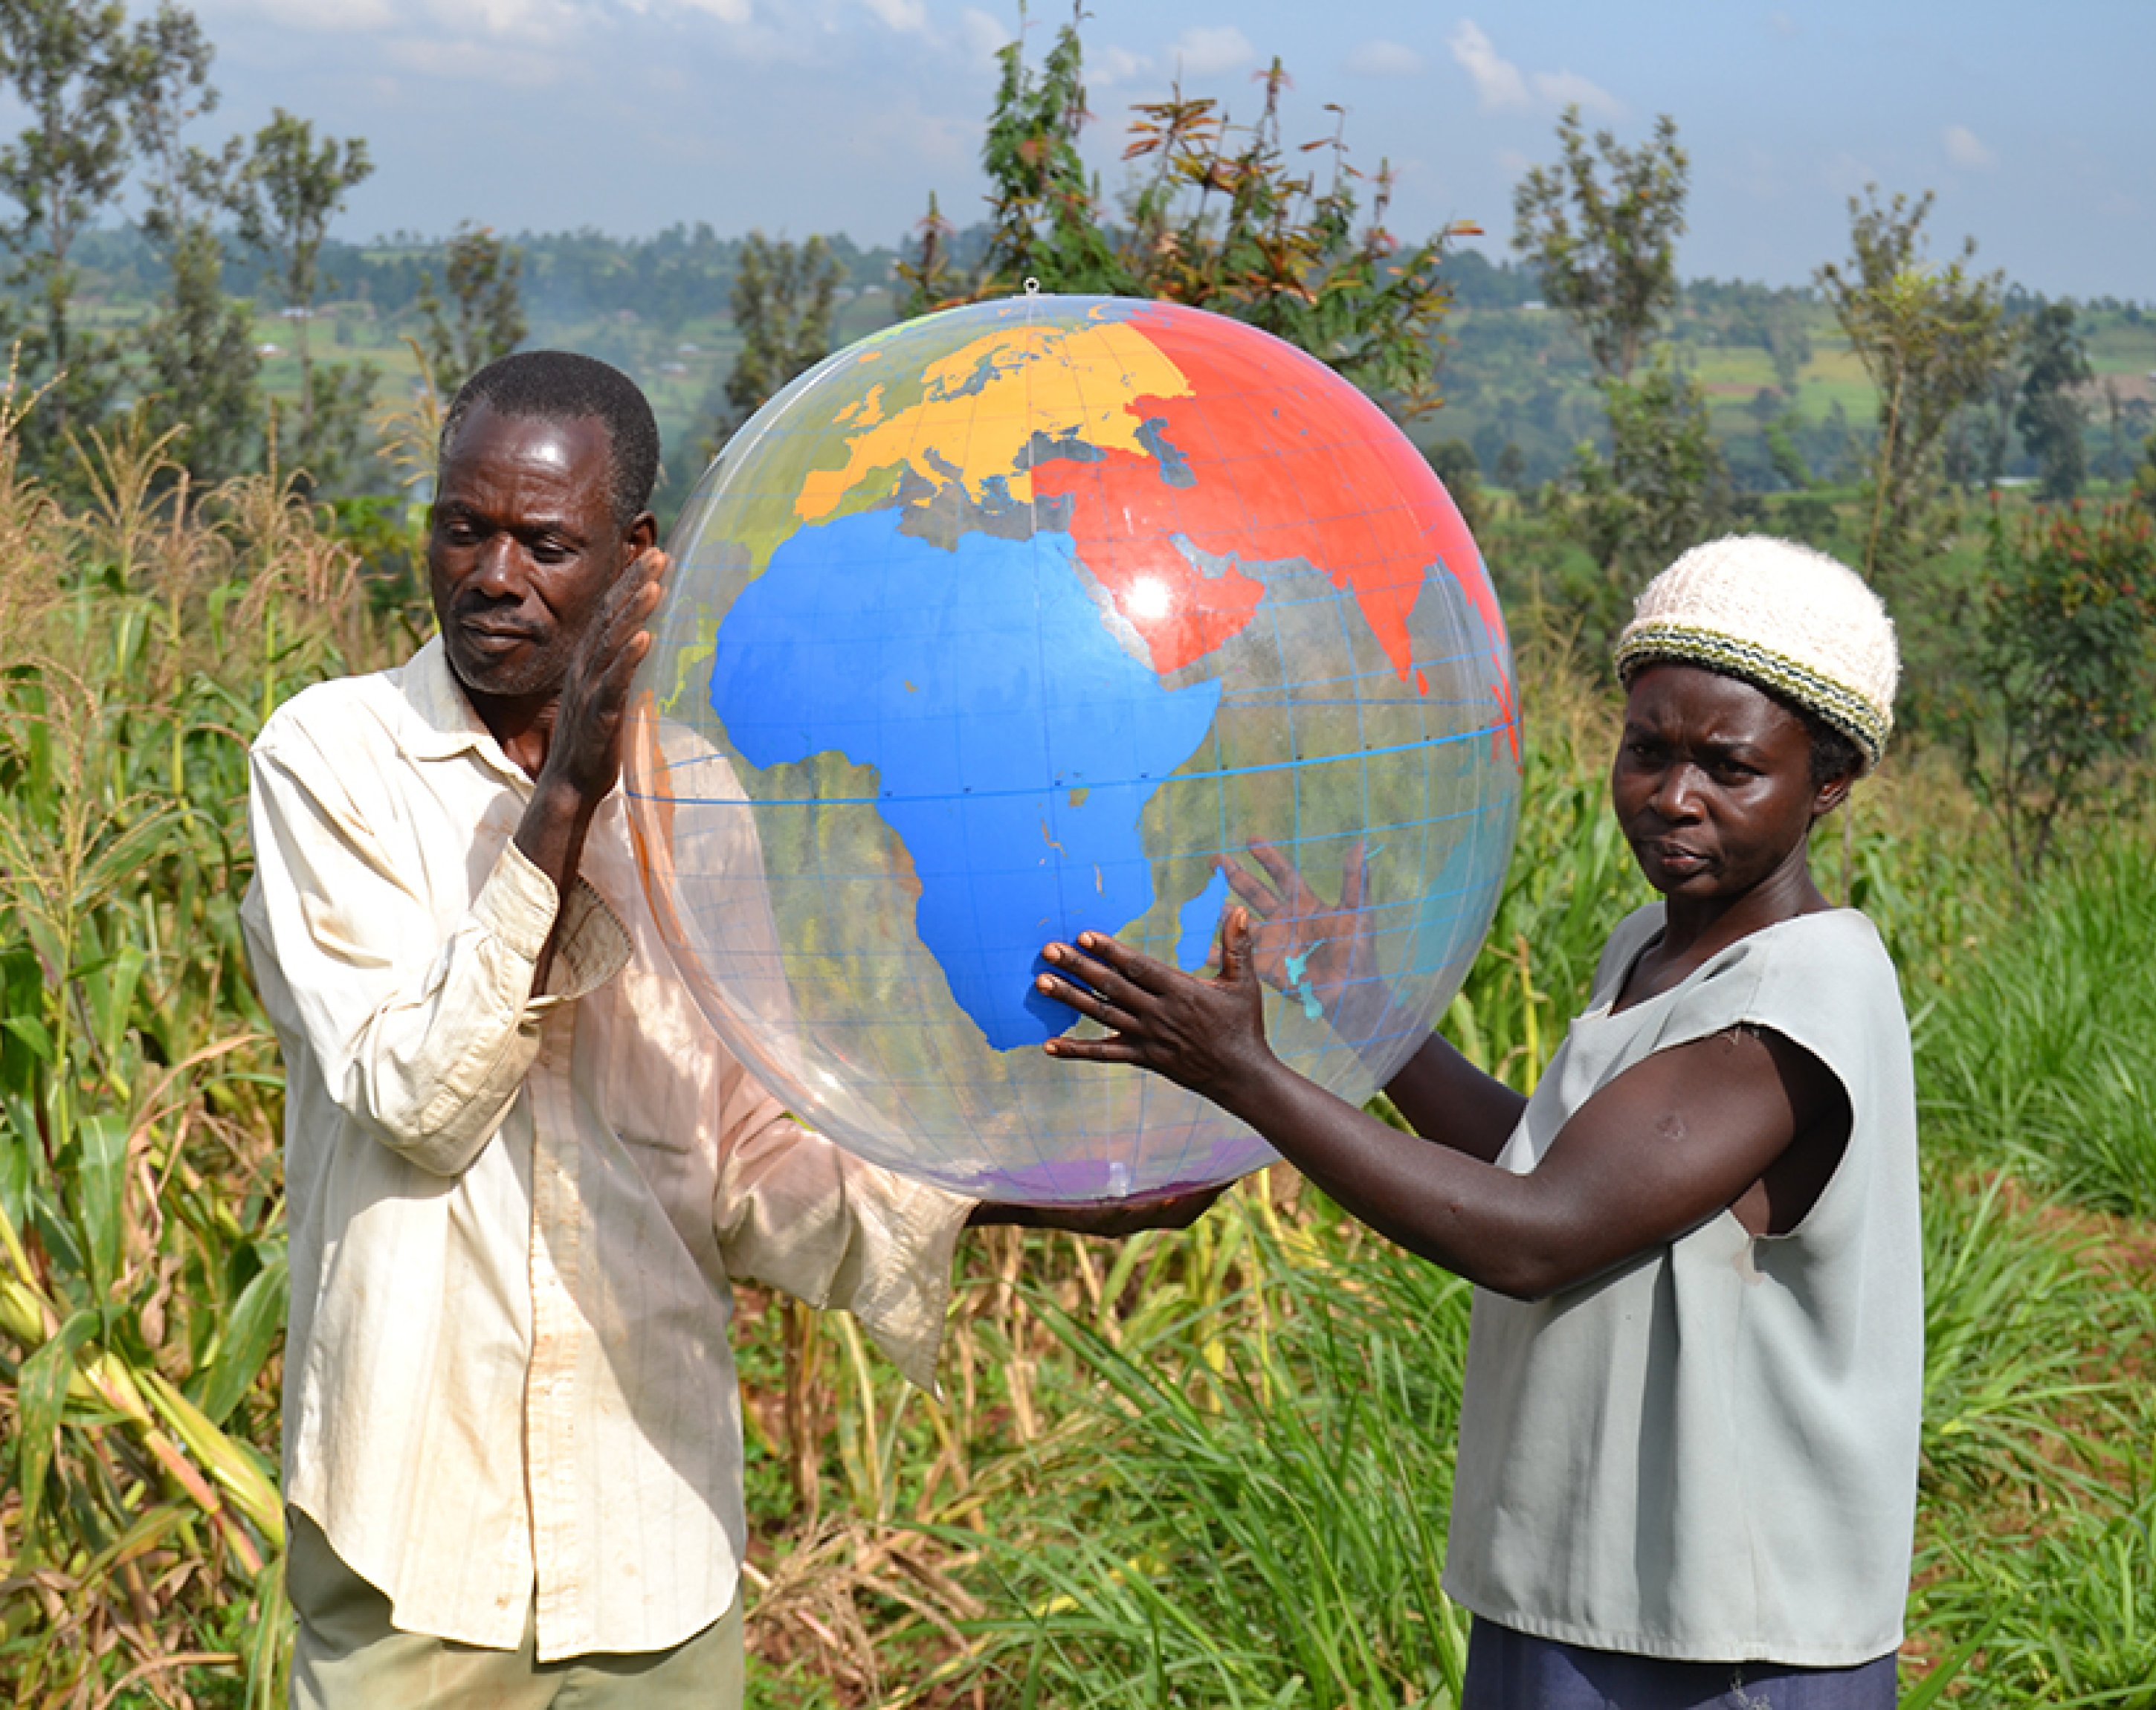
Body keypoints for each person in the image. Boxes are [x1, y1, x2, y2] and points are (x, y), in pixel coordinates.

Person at [242, 349, 1201, 1708]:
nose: (494, 575)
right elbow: (420, 1101)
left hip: (649, 1532)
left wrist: (1035, 1198)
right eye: (464, 528)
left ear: (637, 558)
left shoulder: (691, 790)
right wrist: (569, 792)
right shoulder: (327, 763)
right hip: (416, 1535)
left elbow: (744, 1163)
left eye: (546, 542)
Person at [1035, 535, 1921, 1709]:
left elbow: (1534, 1233)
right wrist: (1368, 1016)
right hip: (1588, 1588)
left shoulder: (1797, 1000)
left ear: (1831, 780)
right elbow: (1556, 1163)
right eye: (1646, 750)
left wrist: (1240, 1072)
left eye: (1731, 768)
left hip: (1724, 1644)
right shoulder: (1661, 951)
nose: (1673, 798)